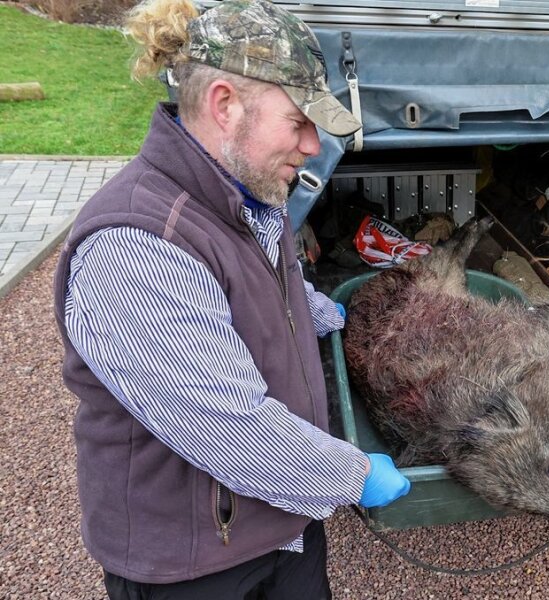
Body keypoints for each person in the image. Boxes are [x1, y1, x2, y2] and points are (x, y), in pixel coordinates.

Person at [52, 1, 410, 598]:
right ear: (225, 104)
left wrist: (321, 315)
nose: (312, 144)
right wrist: (354, 476)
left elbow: (266, 289)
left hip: (282, 527)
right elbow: (228, 428)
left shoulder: (246, 198)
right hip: (196, 562)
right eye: (297, 121)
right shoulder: (137, 246)